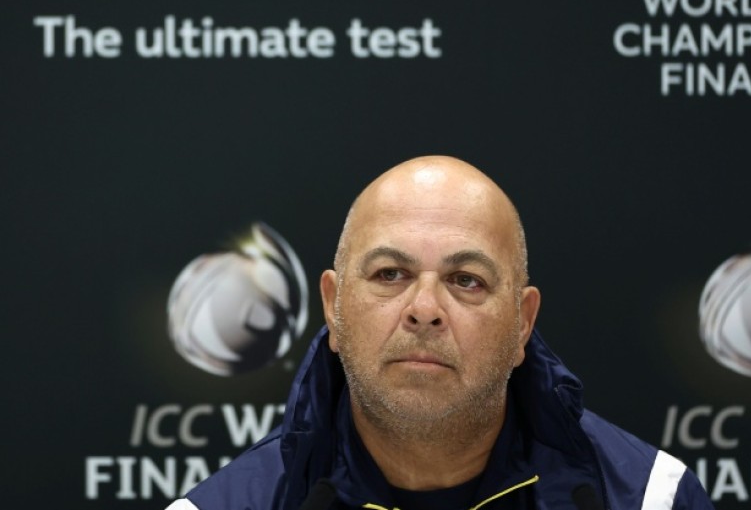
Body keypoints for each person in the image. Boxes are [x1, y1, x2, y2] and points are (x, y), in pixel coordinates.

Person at [166, 156, 714, 510]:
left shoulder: (651, 499)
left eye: (466, 280)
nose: (425, 309)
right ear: (333, 306)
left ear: (522, 321)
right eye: (390, 274)